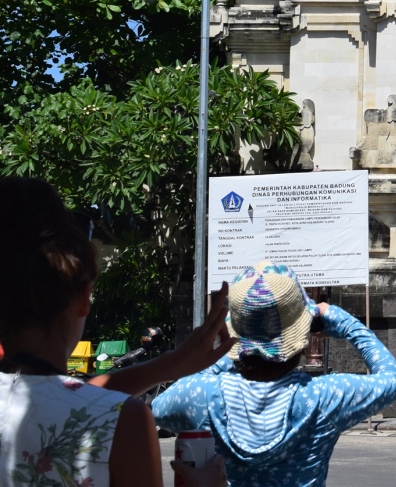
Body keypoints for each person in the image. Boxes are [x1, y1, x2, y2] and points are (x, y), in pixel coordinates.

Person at [0, 177, 233, 487]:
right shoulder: (123, 423)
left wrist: (167, 366)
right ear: (83, 298)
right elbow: (71, 402)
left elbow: (57, 394)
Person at [152, 260, 396, 487]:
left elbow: (159, 409)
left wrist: (226, 353)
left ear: (234, 332)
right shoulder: (325, 397)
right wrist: (347, 324)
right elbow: (394, 379)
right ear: (303, 331)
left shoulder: (200, 395)